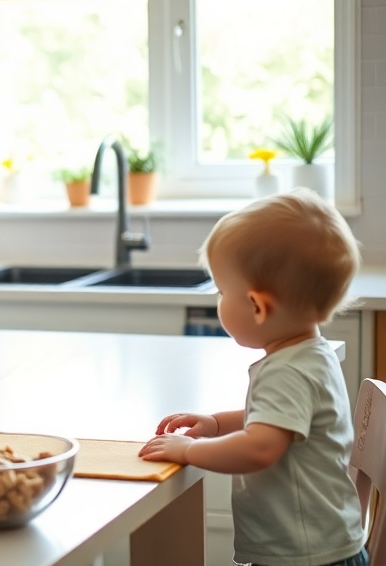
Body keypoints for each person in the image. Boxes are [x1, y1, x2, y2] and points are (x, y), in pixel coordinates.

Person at [138, 188, 368, 566]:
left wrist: (190, 451)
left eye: (221, 290)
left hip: (305, 557)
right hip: (322, 549)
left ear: (257, 306)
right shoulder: (310, 354)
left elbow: (260, 447)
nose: (218, 299)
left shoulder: (288, 371)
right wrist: (215, 423)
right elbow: (276, 423)